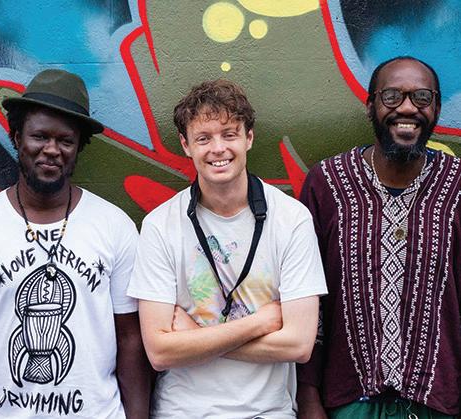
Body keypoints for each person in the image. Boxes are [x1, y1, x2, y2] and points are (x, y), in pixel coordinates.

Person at [0, 68, 152, 419]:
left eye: (65, 140)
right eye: (39, 136)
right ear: (17, 138)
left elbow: (130, 340)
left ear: (79, 146)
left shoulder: (115, 227)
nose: (52, 150)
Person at [126, 79, 327, 418]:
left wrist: (195, 337)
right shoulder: (160, 225)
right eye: (203, 138)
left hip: (267, 412)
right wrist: (260, 323)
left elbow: (299, 344)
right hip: (183, 412)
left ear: (249, 138)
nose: (218, 148)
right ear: (186, 145)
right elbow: (159, 352)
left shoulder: (292, 219)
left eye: (229, 134)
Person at [297, 56, 461, 418]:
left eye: (422, 97)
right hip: (347, 401)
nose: (408, 108)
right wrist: (307, 397)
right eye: (392, 96)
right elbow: (307, 299)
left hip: (438, 402)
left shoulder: (457, 184)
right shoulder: (327, 183)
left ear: (436, 108)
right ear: (370, 106)